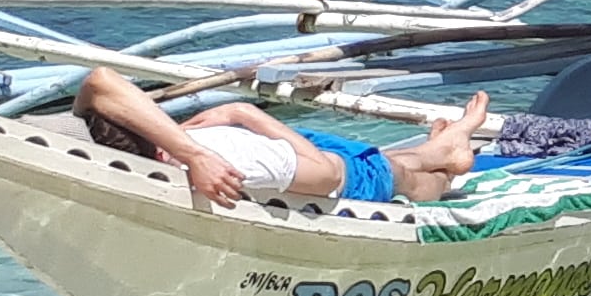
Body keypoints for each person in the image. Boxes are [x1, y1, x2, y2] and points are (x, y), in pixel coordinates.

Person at [75, 65, 485, 208]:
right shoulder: (213, 161)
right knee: (406, 173)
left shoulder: (198, 153)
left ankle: (445, 152)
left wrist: (229, 125)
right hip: (322, 164)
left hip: (307, 161)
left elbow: (100, 82)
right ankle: (449, 156)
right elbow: (325, 174)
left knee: (408, 174)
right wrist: (243, 112)